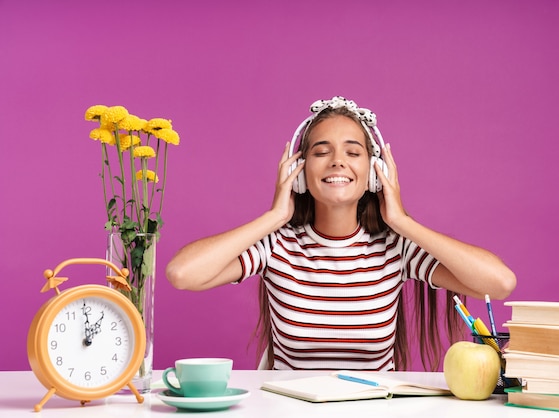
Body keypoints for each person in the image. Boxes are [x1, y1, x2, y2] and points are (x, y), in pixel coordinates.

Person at [166, 96, 516, 371]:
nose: (337, 161)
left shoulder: (397, 248)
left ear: (374, 172)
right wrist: (274, 216)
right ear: (300, 172)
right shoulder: (277, 246)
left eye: (353, 151)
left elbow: (499, 283)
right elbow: (182, 274)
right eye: (321, 151)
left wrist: (402, 221)